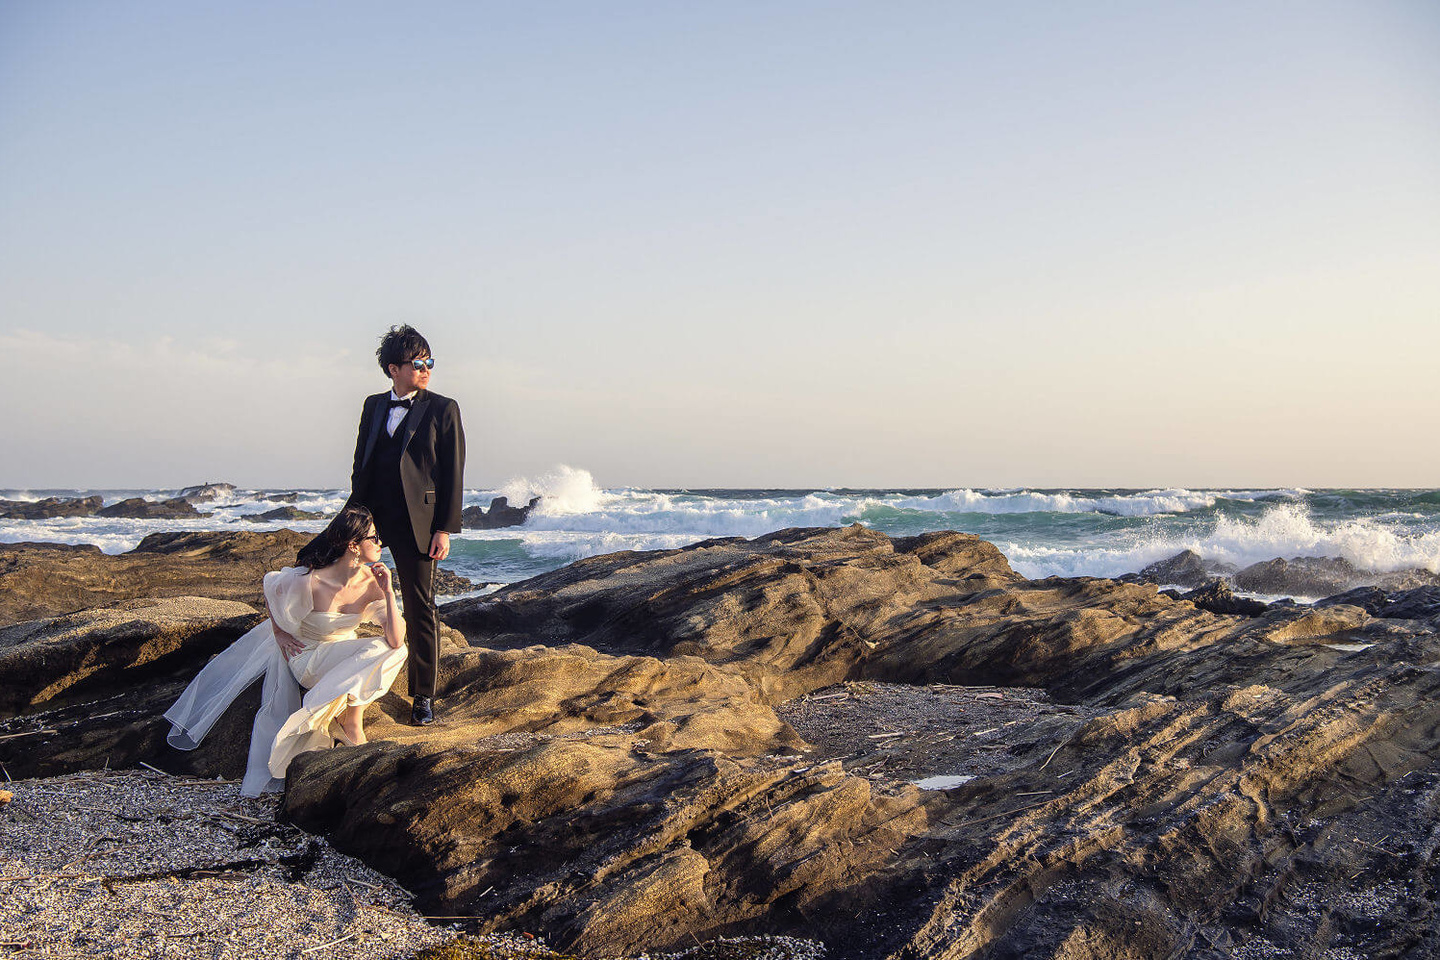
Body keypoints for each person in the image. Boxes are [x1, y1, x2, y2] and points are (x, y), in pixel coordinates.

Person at [164, 506, 407, 797]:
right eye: (374, 537)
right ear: (354, 545)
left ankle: (350, 718)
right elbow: (271, 586)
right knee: (377, 648)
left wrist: (389, 592)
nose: (380, 543)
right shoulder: (311, 580)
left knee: (392, 649)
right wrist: (279, 633)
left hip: (341, 654)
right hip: (308, 657)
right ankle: (343, 719)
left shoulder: (372, 583)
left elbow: (395, 640)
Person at [346, 324, 465, 725]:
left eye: (430, 361)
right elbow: (361, 462)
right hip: (371, 517)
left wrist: (444, 529)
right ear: (393, 369)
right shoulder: (373, 405)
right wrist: (355, 518)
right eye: (418, 363)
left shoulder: (443, 408)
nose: (426, 368)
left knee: (420, 606)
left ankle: (423, 696)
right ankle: (334, 676)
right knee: (329, 577)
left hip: (419, 523)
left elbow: (453, 472)